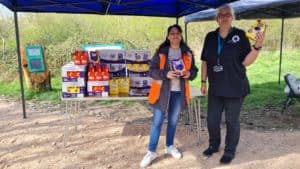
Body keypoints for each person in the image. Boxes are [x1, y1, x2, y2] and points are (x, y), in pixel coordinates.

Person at [200, 5, 265, 164]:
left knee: (231, 120)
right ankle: (214, 145)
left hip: (236, 87)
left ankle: (229, 150)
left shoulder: (240, 35)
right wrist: (203, 82)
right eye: (220, 15)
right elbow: (205, 62)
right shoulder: (210, 37)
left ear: (232, 17)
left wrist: (257, 47)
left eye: (227, 14)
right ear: (216, 19)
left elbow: (246, 62)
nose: (224, 17)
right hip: (215, 88)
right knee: (212, 120)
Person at [140, 24, 198, 168]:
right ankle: (151, 151)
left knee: (172, 121)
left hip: (179, 92)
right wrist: (165, 74)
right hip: (161, 92)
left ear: (181, 36)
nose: (175, 35)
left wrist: (190, 74)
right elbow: (151, 71)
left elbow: (194, 71)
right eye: (172, 33)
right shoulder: (161, 52)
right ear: (168, 36)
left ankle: (170, 146)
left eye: (177, 33)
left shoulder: (188, 53)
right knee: (157, 122)